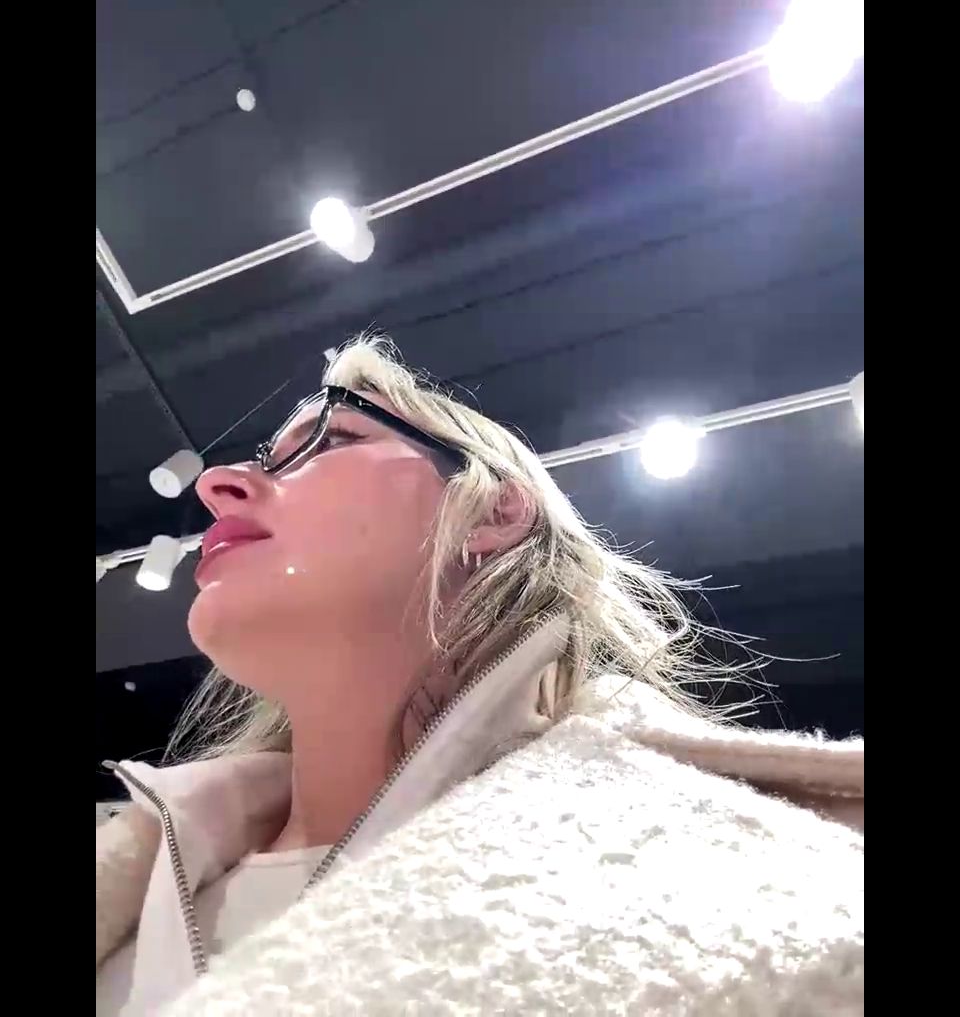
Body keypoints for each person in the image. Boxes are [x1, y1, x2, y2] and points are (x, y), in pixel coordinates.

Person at [96, 335, 864, 1016]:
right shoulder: (138, 881)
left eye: (331, 441)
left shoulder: (746, 886)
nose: (218, 484)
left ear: (492, 513)